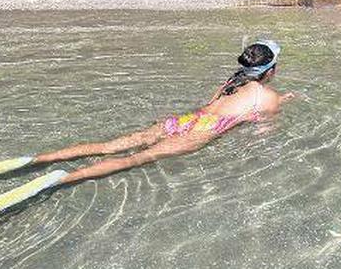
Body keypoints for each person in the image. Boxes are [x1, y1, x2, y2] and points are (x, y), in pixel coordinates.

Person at [34, 40, 295, 184]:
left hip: (186, 120)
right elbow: (260, 134)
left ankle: (39, 159)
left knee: (111, 145)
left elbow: (217, 104)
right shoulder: (268, 98)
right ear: (270, 71)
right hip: (204, 130)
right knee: (136, 159)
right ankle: (60, 180)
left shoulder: (231, 81)